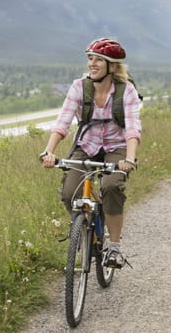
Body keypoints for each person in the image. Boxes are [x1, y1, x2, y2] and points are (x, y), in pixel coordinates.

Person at [39, 38, 141, 268]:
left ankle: (113, 247)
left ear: (112, 66)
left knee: (112, 187)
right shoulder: (79, 87)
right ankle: (84, 227)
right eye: (90, 59)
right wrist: (49, 151)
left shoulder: (126, 91)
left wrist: (130, 159)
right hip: (86, 145)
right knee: (68, 192)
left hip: (116, 147)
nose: (92, 64)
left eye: (98, 60)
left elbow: (133, 128)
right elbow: (62, 122)